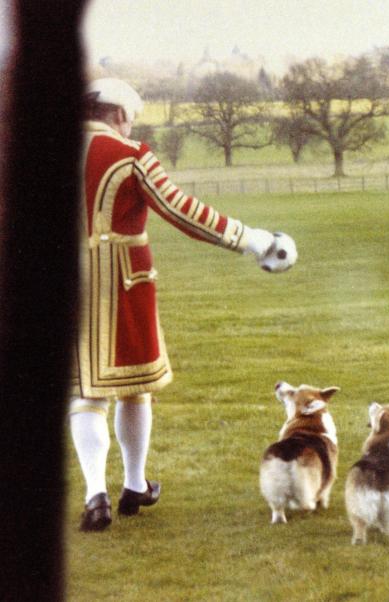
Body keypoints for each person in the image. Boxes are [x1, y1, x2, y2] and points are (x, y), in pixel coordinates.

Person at [70, 78, 284, 532]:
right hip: (124, 282)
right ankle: (133, 484)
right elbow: (183, 211)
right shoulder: (130, 156)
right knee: (135, 386)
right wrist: (252, 239)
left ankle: (95, 496)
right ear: (120, 114)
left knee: (83, 395)